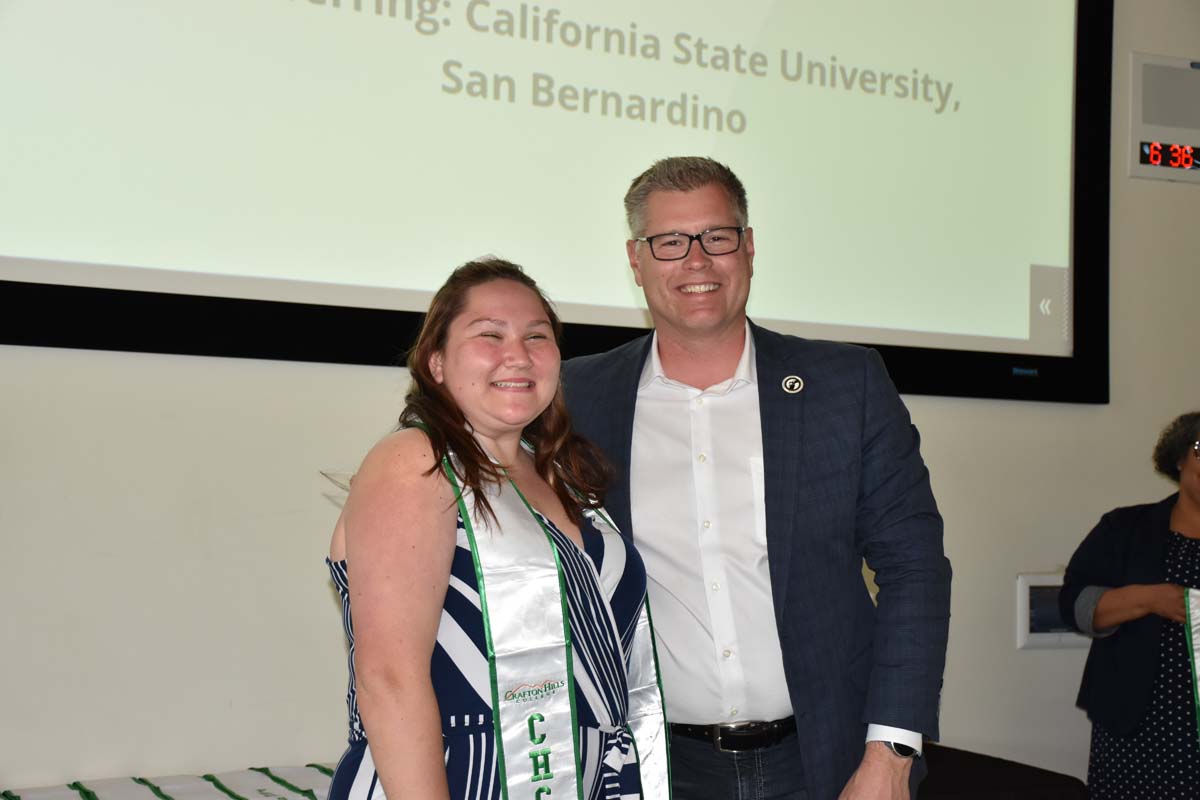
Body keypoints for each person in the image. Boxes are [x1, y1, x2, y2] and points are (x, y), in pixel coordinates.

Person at [562, 157, 952, 799]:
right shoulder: (579, 396)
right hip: (658, 771)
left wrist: (892, 755)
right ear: (636, 261)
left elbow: (914, 568)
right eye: (669, 242)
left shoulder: (844, 386)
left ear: (747, 248)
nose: (696, 261)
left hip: (834, 763)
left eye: (717, 236)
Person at [325, 259, 670, 800]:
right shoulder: (418, 462)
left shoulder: (562, 478)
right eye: (490, 335)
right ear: (436, 361)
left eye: (538, 336)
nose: (519, 354)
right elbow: (389, 679)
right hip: (455, 777)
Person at [1059, 411, 1200, 798]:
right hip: (1136, 734)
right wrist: (1151, 598)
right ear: (1180, 458)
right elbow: (1074, 605)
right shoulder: (1125, 529)